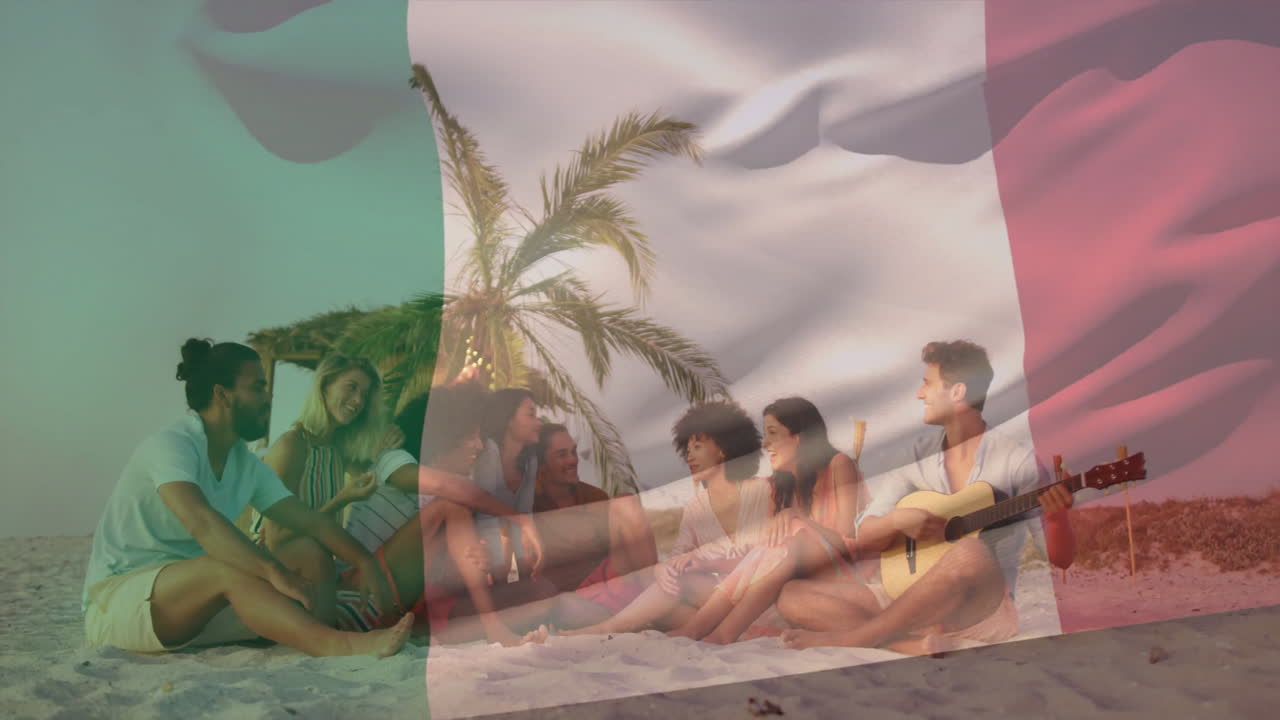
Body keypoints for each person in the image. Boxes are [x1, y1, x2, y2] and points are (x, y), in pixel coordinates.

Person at [82, 339, 410, 657]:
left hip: (197, 602)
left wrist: (366, 562)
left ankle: (320, 636)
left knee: (306, 552)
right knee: (228, 563)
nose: (268, 398)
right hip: (120, 603)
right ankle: (337, 645)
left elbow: (310, 521)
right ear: (223, 395)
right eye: (257, 388)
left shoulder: (246, 464)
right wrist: (271, 571)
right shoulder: (171, 445)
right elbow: (203, 524)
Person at [779, 340, 1076, 652]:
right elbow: (866, 532)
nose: (920, 394)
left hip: (977, 608)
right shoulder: (914, 456)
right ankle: (908, 643)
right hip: (904, 596)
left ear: (958, 392)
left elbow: (1061, 560)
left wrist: (1057, 520)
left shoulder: (1017, 462)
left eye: (927, 384)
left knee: (969, 552)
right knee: (792, 595)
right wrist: (898, 520)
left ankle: (860, 638)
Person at [336, 383, 549, 647]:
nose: (480, 446)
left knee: (457, 519)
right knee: (452, 504)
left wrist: (475, 558)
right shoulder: (395, 461)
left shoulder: (437, 506)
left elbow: (438, 570)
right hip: (355, 592)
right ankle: (494, 629)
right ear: (446, 436)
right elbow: (452, 488)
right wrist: (519, 518)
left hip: (392, 602)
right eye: (472, 436)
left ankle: (493, 628)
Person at [563, 400, 772, 636]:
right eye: (688, 450)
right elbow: (678, 556)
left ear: (723, 448)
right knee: (669, 596)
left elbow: (758, 548)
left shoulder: (763, 491)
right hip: (713, 594)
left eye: (698, 447)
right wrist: (666, 568)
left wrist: (696, 560)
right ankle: (740, 631)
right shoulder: (697, 506)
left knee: (676, 592)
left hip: (759, 590)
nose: (689, 457)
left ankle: (604, 629)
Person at [668, 396, 867, 643]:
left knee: (794, 533)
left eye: (773, 433)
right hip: (801, 584)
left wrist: (798, 519)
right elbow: (763, 557)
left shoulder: (839, 465)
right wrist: (707, 564)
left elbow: (847, 544)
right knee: (784, 586)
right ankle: (699, 628)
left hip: (844, 577)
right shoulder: (778, 487)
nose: (766, 444)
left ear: (800, 437)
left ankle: (717, 632)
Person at [250, 354, 392, 568]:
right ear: (325, 386)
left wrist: (394, 440)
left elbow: (375, 474)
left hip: (318, 565)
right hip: (271, 566)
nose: (358, 401)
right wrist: (342, 499)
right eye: (351, 387)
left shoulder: (336, 451)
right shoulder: (292, 446)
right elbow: (276, 538)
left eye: (364, 394)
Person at [525, 423, 659, 628]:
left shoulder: (593, 497)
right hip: (572, 599)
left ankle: (655, 598)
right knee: (565, 605)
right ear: (541, 466)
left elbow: (620, 550)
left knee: (625, 501)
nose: (572, 460)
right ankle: (645, 611)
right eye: (561, 455)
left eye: (573, 452)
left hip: (612, 585)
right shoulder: (529, 506)